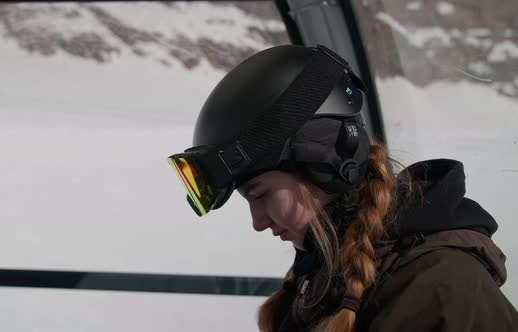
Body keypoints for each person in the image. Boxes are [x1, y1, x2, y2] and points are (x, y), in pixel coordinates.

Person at [167, 45, 518, 331]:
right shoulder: (327, 274)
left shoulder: (441, 289)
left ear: (327, 164)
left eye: (260, 194)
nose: (258, 222)